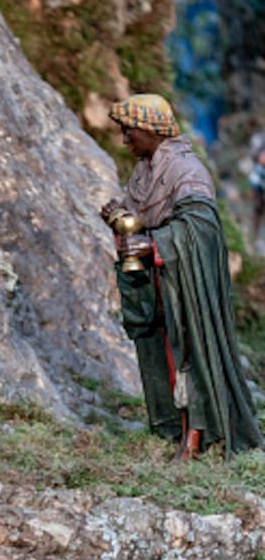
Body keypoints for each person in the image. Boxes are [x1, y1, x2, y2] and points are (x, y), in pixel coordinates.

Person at [100, 93, 263, 460]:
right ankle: (175, 426)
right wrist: (119, 217)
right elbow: (142, 220)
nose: (125, 140)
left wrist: (152, 244)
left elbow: (199, 228)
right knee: (165, 357)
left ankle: (196, 435)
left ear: (151, 130)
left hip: (186, 284)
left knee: (187, 356)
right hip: (159, 283)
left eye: (130, 132)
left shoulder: (186, 170)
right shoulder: (145, 170)